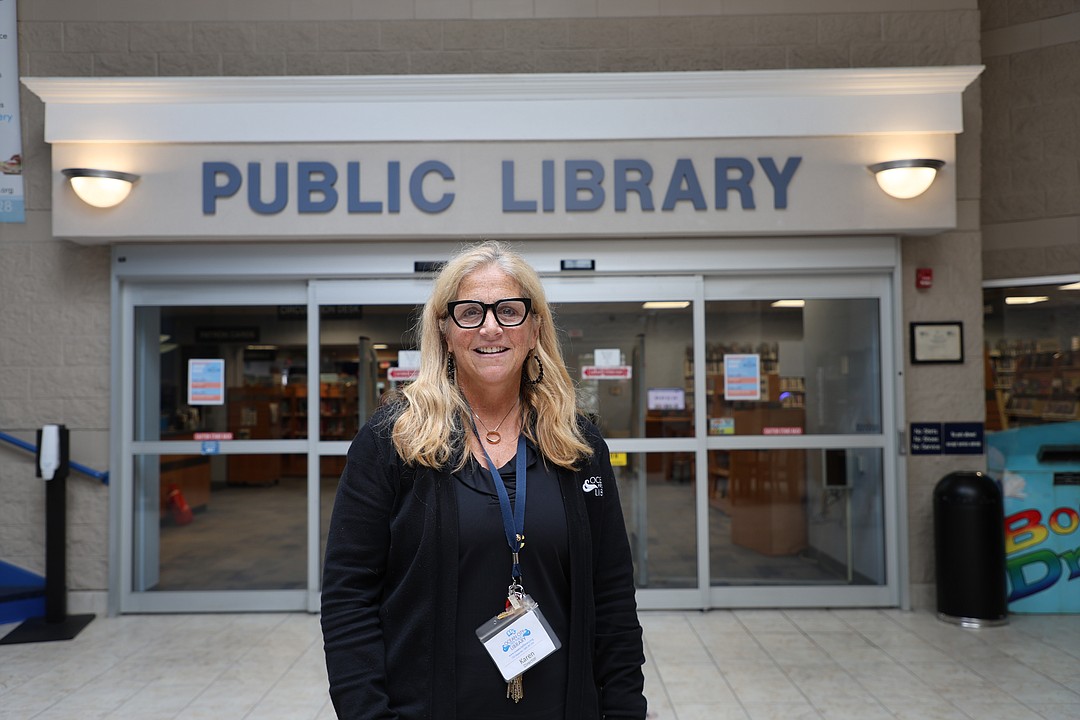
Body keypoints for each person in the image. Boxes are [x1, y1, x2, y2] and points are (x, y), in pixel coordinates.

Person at [321, 240, 647, 720]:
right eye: (470, 312)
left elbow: (613, 595)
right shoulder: (392, 441)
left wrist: (623, 711)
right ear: (445, 330)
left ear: (535, 328)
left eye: (509, 310)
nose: (491, 326)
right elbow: (349, 596)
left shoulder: (579, 445)